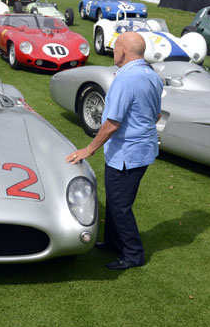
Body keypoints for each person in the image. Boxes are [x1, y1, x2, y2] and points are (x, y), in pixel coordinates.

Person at [65, 32, 163, 270]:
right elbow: (156, 114)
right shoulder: (152, 75)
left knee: (120, 206)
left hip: (127, 155)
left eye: (115, 47)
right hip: (142, 150)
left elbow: (112, 123)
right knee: (116, 200)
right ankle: (111, 242)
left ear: (123, 52)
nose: (113, 51)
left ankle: (133, 254)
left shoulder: (125, 80)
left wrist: (89, 149)